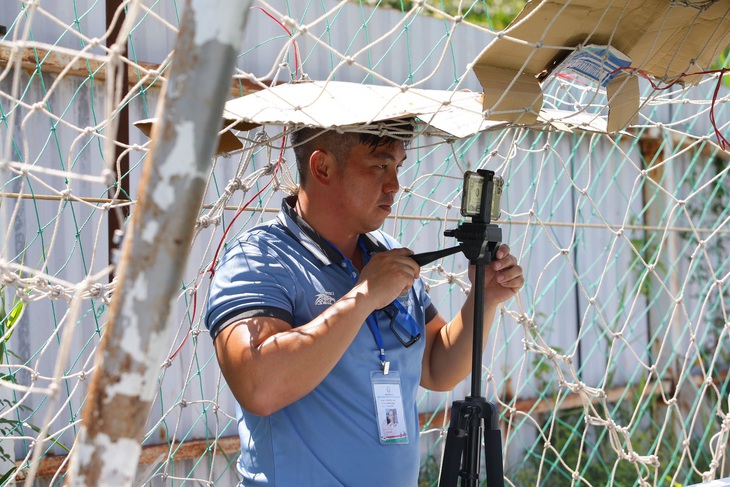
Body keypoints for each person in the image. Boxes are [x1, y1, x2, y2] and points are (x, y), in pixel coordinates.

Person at [205, 121, 524, 486]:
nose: (394, 185)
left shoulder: (384, 253)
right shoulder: (257, 258)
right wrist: (363, 297)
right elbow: (258, 386)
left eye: (397, 168)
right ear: (322, 167)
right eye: (379, 166)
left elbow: (437, 367)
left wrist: (484, 301)